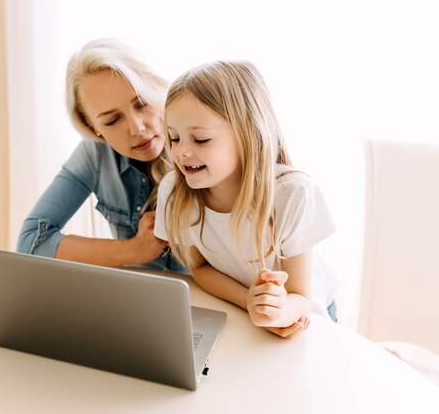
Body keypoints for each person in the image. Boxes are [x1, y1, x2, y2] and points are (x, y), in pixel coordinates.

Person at [154, 60, 339, 339]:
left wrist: (276, 313)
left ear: (248, 134)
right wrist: (251, 303)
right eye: (174, 138)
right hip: (249, 315)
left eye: (201, 140)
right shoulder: (175, 191)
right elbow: (200, 268)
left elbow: (301, 297)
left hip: (306, 320)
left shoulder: (292, 194)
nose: (181, 152)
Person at [17, 38, 186, 273]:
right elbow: (31, 242)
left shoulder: (198, 136)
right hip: (139, 300)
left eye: (142, 103)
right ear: (91, 125)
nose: (137, 128)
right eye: (113, 120)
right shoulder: (95, 153)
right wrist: (134, 250)